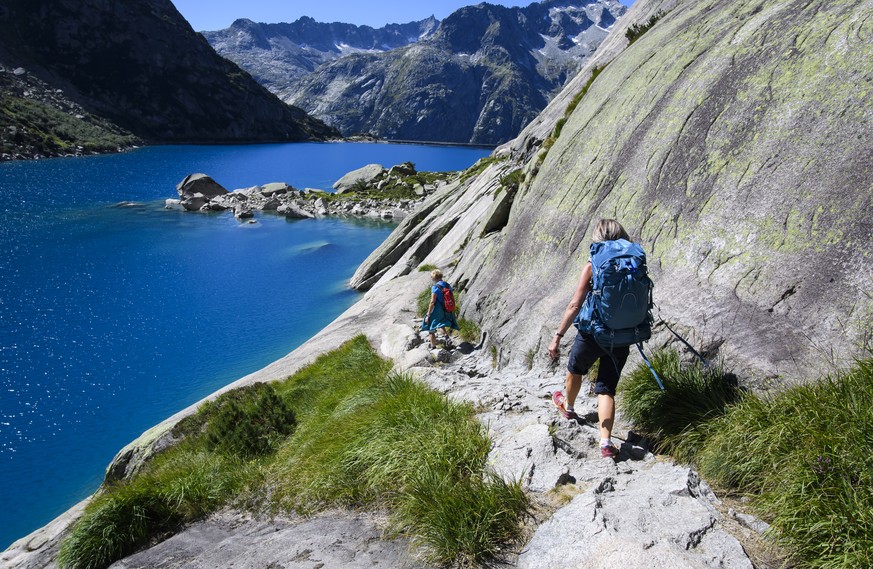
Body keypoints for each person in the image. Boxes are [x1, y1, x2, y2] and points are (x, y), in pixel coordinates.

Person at [547, 219, 632, 460]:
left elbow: (575, 304)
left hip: (593, 332)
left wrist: (558, 336)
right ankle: (606, 443)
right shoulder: (633, 262)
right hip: (623, 335)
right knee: (607, 389)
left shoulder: (594, 263)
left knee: (575, 368)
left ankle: (569, 408)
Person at [422, 269, 460, 348]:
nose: (431, 278)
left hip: (438, 309)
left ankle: (433, 346)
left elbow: (432, 302)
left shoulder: (435, 287)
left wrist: (428, 314)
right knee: (440, 324)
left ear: (434, 277)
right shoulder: (447, 285)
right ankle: (446, 337)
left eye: (431, 277)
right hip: (447, 308)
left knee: (430, 326)